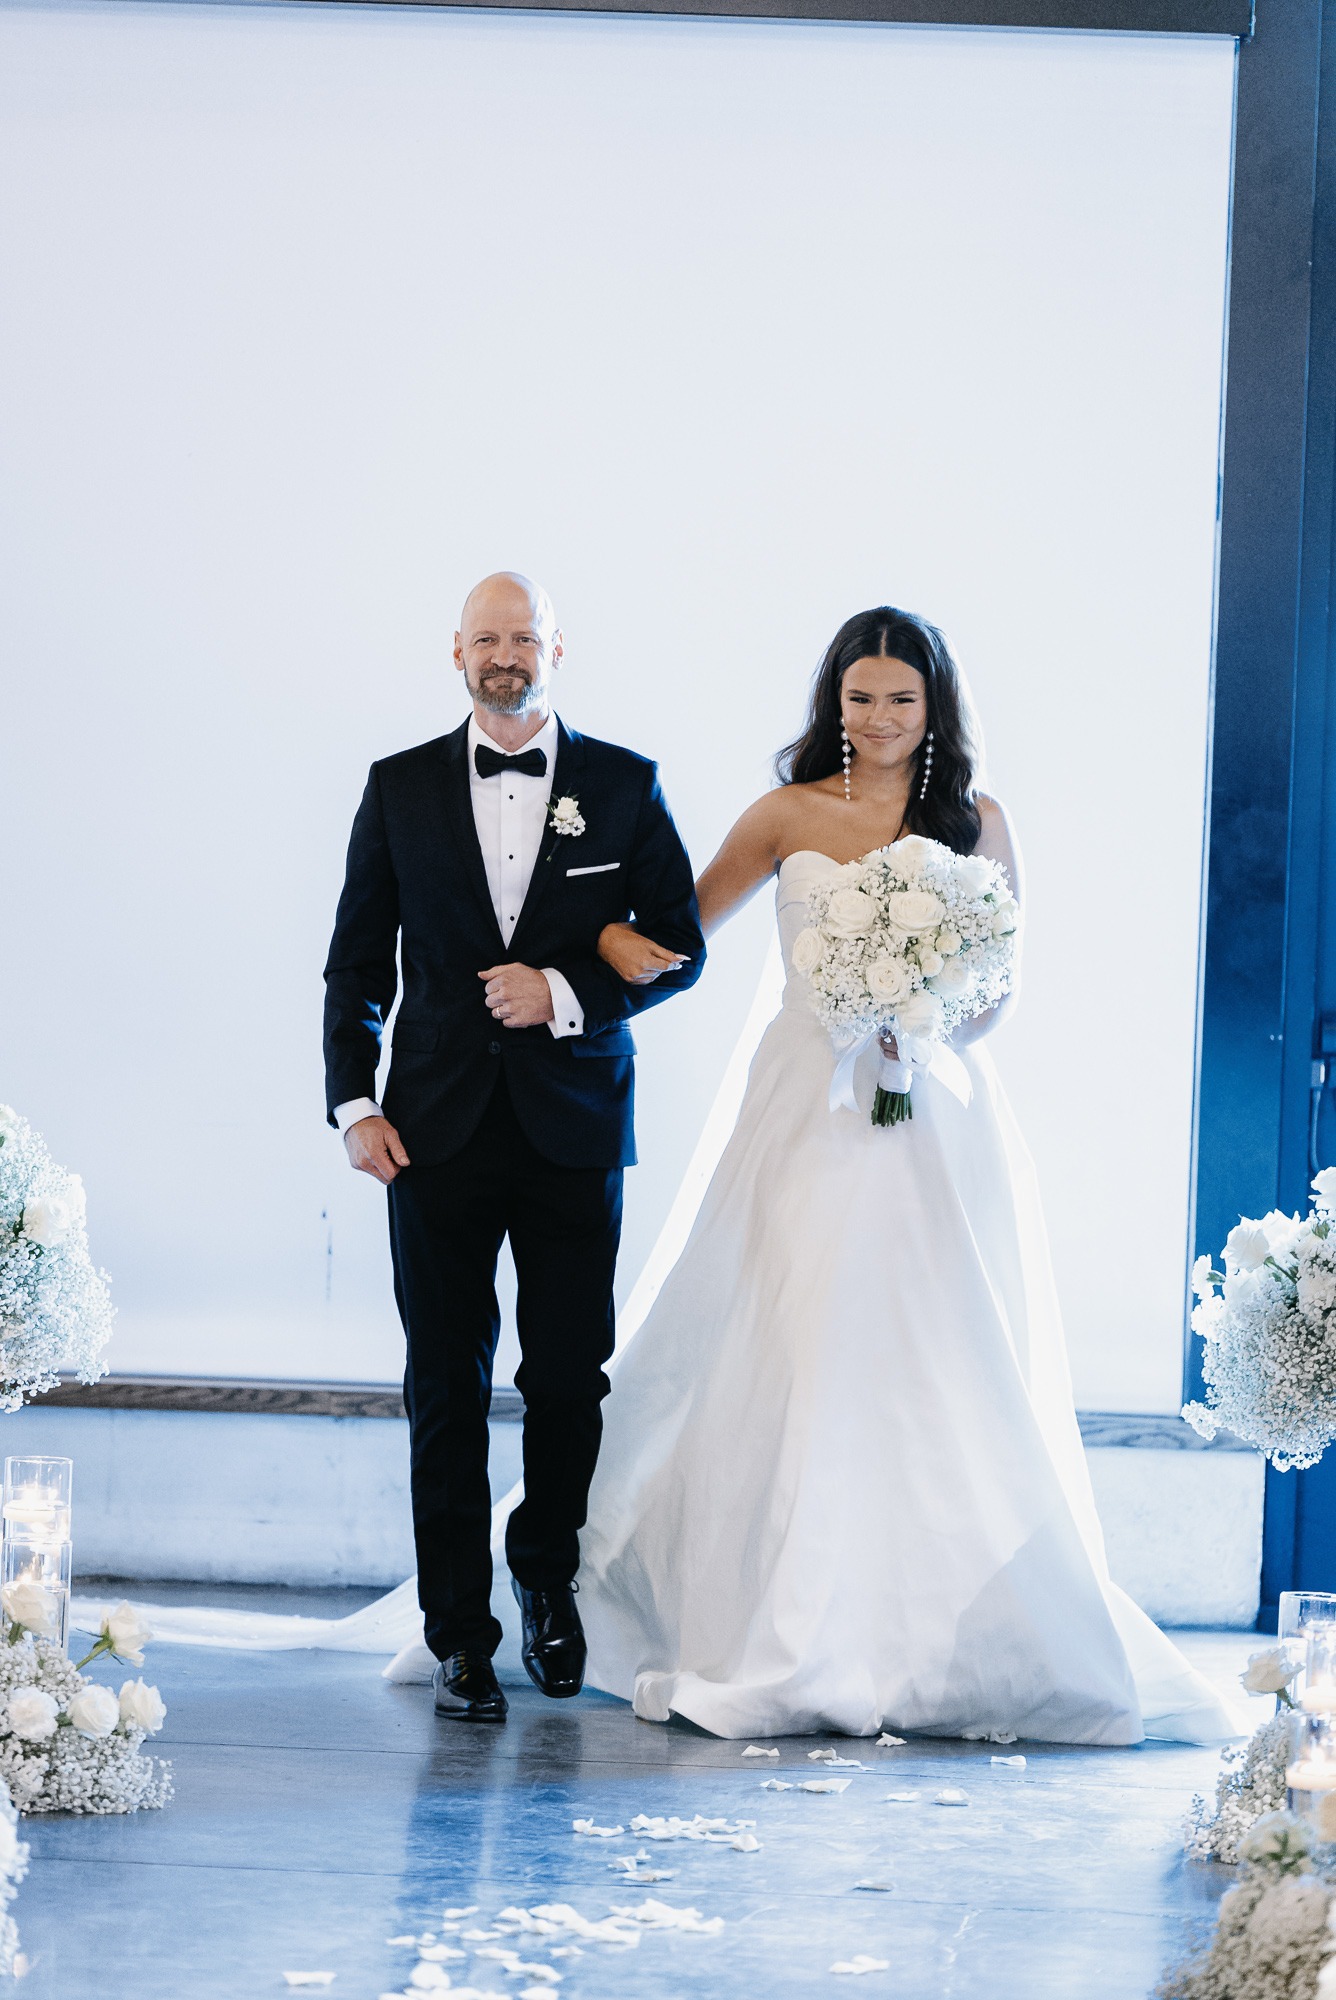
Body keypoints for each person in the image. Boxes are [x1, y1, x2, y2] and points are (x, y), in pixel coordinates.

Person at [578, 604, 1238, 1744]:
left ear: (934, 707)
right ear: (832, 701)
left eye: (901, 699)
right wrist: (600, 944)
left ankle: (941, 1641)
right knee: (799, 1333)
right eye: (860, 697)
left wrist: (914, 1020)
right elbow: (679, 931)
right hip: (803, 1110)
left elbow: (1000, 990)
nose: (879, 718)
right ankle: (777, 1618)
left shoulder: (978, 820)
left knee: (933, 1347)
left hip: (930, 1109)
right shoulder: (784, 812)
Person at [323, 572, 704, 1724]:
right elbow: (357, 962)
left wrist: (565, 991)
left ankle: (545, 1579)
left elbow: (679, 946)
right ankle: (457, 1632)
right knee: (444, 1381)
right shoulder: (397, 786)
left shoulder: (623, 783)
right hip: (429, 1132)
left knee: (567, 1375)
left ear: (555, 648)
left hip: (572, 1128)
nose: (505, 653)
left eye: (523, 635)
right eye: (486, 637)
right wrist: (353, 1103)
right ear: (457, 653)